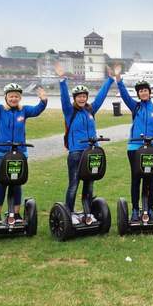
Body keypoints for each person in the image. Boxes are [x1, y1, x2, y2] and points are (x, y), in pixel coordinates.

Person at [0, 78, 47, 224]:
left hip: (19, 152)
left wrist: (43, 101)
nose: (13, 98)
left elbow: (37, 110)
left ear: (20, 98)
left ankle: (16, 214)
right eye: (11, 96)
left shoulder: (23, 111)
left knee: (16, 182)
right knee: (0, 182)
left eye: (16, 96)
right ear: (6, 97)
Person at [55, 63, 114, 222]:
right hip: (76, 153)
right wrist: (62, 81)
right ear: (75, 98)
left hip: (91, 153)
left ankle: (88, 213)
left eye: (84, 96)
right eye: (79, 96)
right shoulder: (69, 111)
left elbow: (101, 97)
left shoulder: (90, 110)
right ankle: (70, 213)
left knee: (89, 185)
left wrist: (109, 80)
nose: (82, 98)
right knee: (74, 184)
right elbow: (63, 98)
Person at [114, 67, 153, 222]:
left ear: (149, 92)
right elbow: (125, 96)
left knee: (150, 179)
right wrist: (119, 79)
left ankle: (150, 210)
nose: (143, 93)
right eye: (140, 91)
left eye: (145, 90)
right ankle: (134, 210)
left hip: (152, 148)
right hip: (134, 148)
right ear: (138, 94)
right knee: (136, 179)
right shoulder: (136, 107)